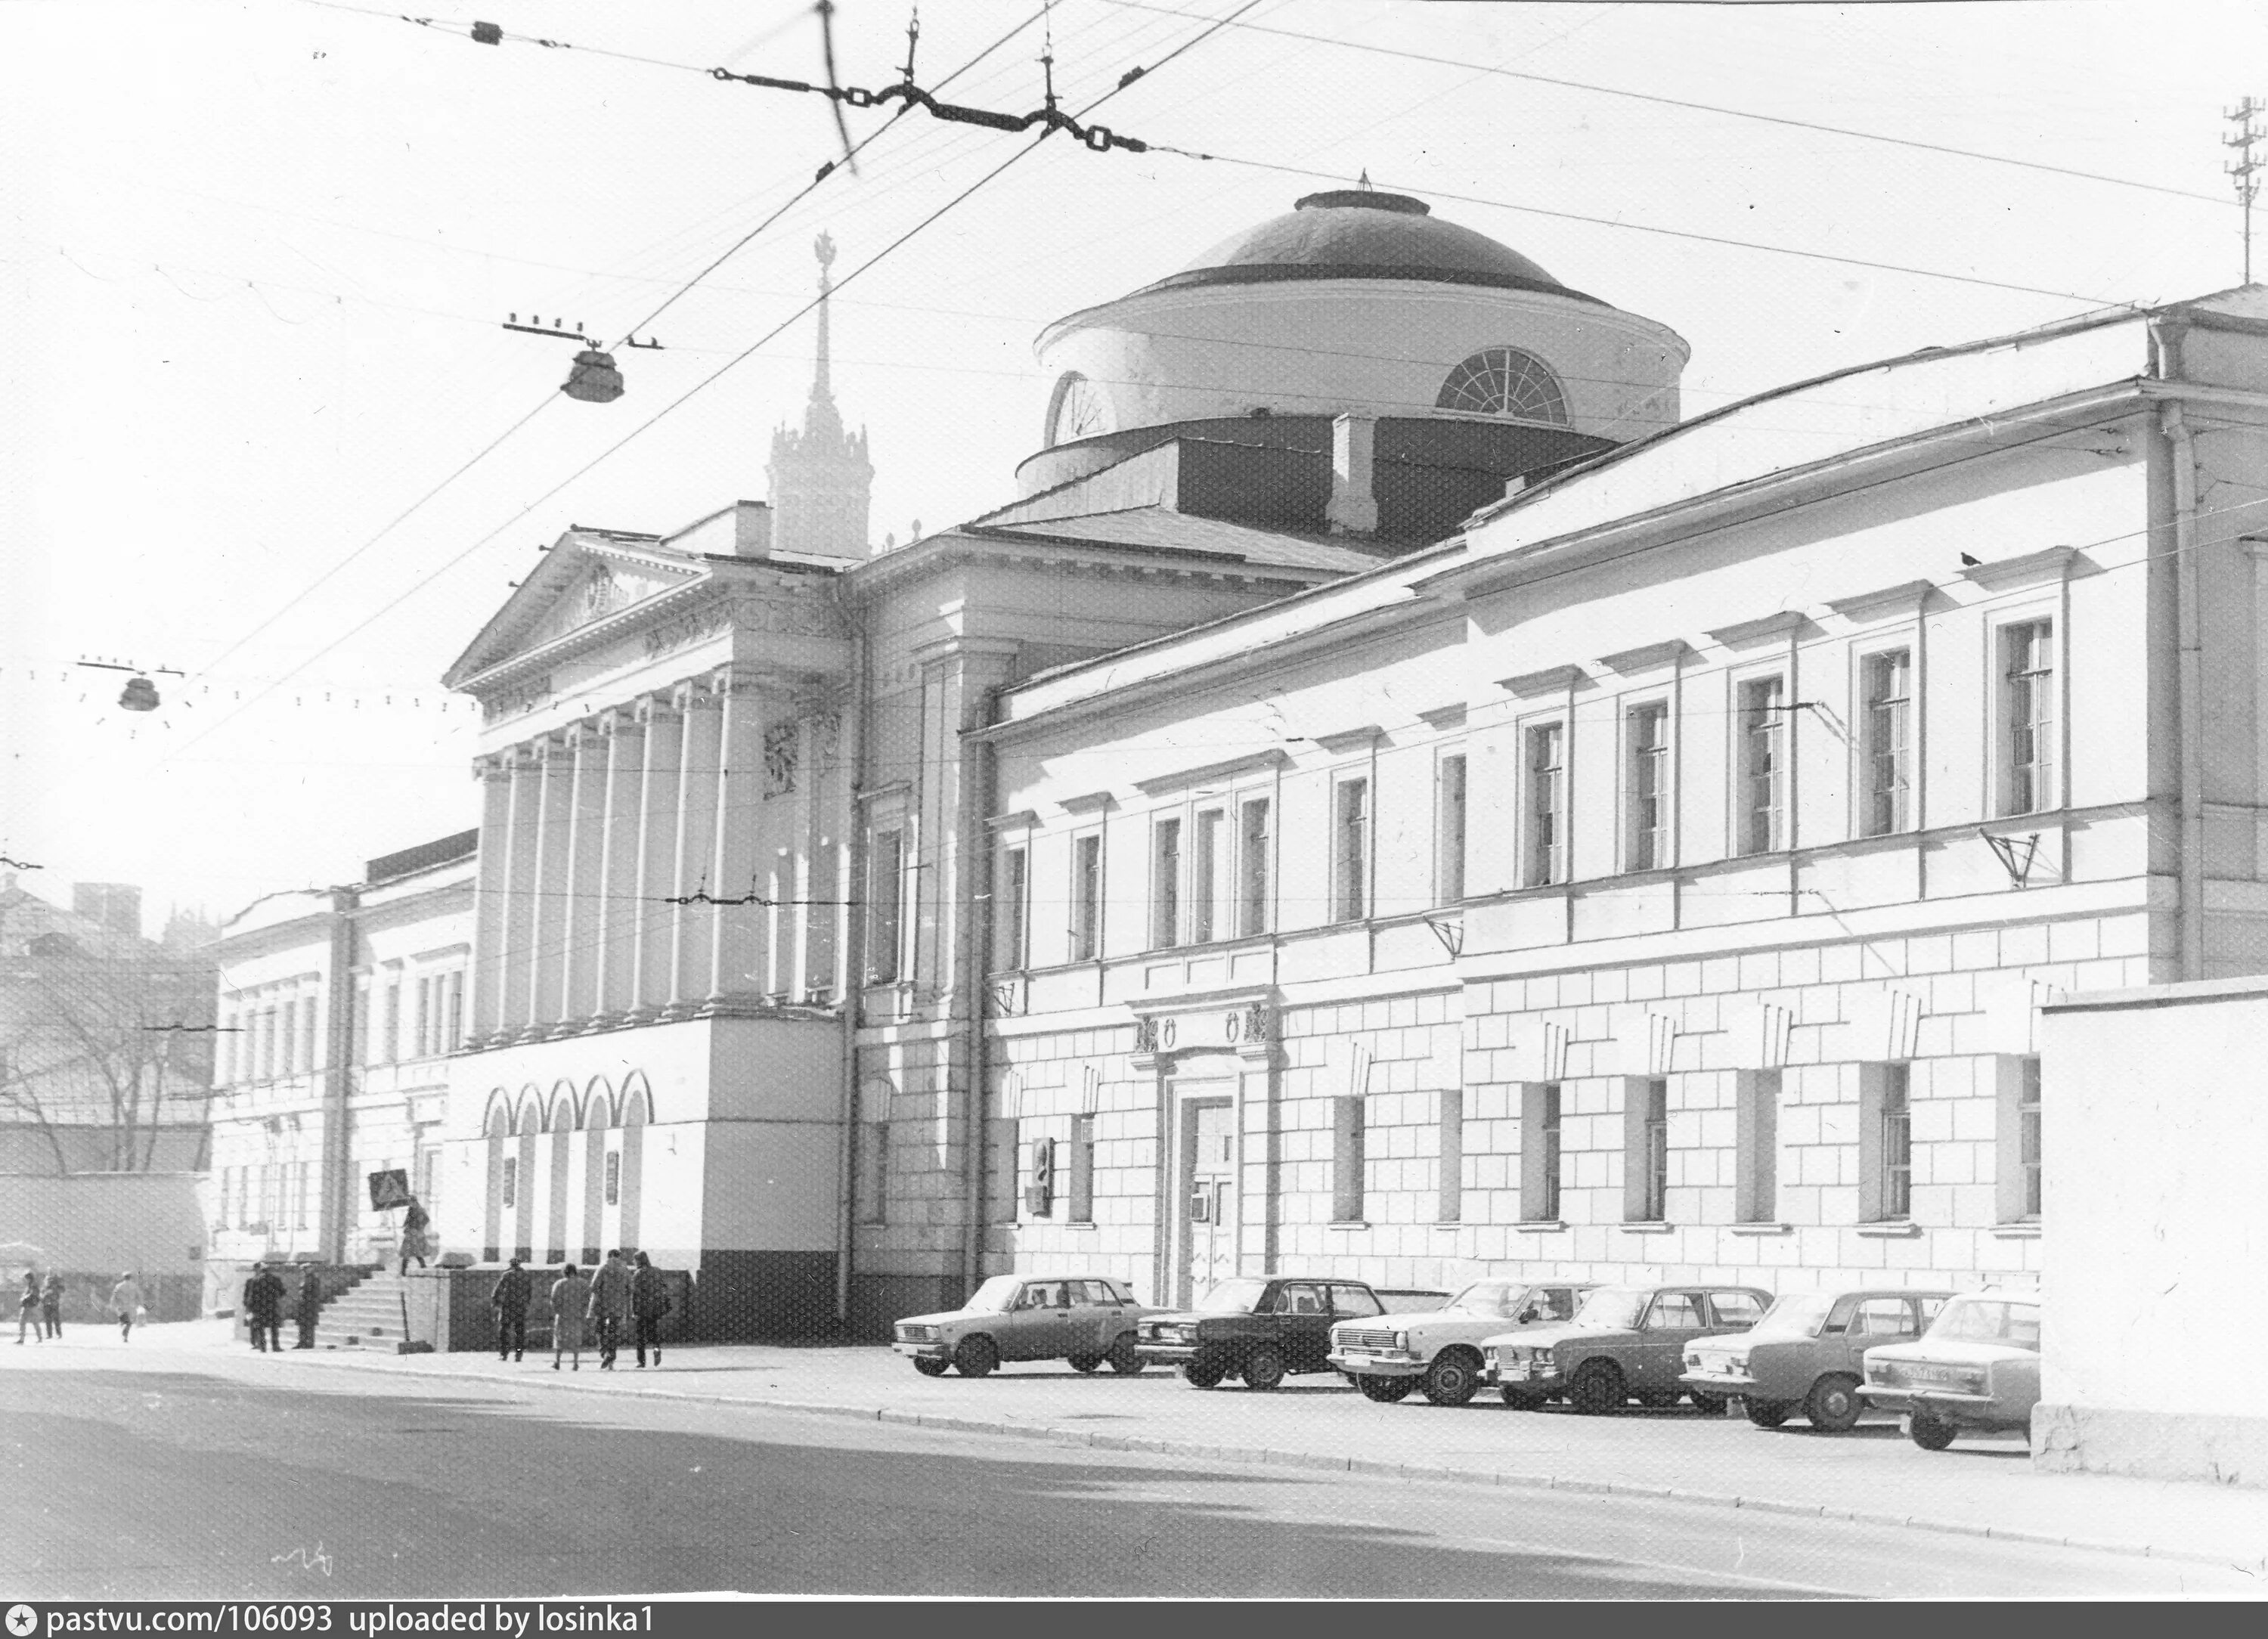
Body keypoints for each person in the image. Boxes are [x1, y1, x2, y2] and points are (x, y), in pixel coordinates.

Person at [587, 1247, 631, 1370]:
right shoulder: (624, 1269)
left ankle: (604, 1351)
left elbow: (594, 1286)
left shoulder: (603, 1267)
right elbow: (630, 1288)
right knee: (614, 1331)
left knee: (599, 1328)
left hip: (603, 1304)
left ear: (608, 1256)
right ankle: (611, 1354)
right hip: (618, 1305)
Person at [629, 1250, 668, 1368]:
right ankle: (657, 1348)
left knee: (640, 1335)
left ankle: (641, 1361)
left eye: (635, 1260)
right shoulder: (657, 1271)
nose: (634, 1262)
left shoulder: (638, 1274)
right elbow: (665, 1287)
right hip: (655, 1307)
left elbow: (634, 1294)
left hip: (642, 1308)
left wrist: (633, 1311)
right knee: (653, 1332)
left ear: (638, 1260)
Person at [549, 1263, 590, 1371]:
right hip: (577, 1314)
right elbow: (587, 1299)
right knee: (576, 1339)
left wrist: (557, 1311)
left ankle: (557, 1362)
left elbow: (553, 1299)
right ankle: (575, 1363)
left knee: (559, 1338)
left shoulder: (559, 1284)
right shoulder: (583, 1284)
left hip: (563, 1315)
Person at [490, 1257, 532, 1362]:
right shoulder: (526, 1276)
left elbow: (498, 1290)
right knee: (520, 1331)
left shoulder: (507, 1275)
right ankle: (518, 1354)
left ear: (511, 1264)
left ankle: (504, 1354)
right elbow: (529, 1292)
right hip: (520, 1306)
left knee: (504, 1330)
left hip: (508, 1306)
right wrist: (527, 1304)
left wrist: (495, 1303)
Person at [242, 1262, 283, 1352]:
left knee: (260, 1327)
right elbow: (282, 1292)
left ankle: (262, 1346)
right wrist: (274, 1297)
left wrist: (249, 1305)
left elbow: (251, 1295)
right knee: (274, 1327)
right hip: (272, 1306)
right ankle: (275, 1346)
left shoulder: (254, 1281)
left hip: (259, 1307)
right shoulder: (275, 1279)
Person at [397, 1198, 431, 1277]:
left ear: (415, 1201)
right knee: (409, 1251)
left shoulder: (420, 1210)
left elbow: (426, 1219)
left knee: (415, 1251)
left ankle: (421, 1266)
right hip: (410, 1232)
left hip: (415, 1233)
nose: (410, 1204)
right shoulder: (411, 1209)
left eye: (411, 1202)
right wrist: (404, 1225)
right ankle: (404, 1270)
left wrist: (421, 1227)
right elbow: (408, 1220)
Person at [292, 1269, 324, 1349]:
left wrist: (306, 1298)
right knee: (302, 1325)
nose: (302, 1272)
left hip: (310, 1306)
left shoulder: (313, 1280)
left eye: (304, 1270)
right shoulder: (303, 1280)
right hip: (302, 1306)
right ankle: (302, 1342)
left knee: (309, 1325)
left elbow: (315, 1293)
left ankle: (309, 1343)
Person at [110, 1272, 143, 1342]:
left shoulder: (119, 1286)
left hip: (122, 1307)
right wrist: (140, 1304)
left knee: (126, 1321)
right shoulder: (134, 1286)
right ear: (130, 1277)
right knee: (129, 1322)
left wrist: (113, 1304)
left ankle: (124, 1331)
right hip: (132, 1306)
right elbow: (139, 1296)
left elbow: (114, 1296)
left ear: (124, 1278)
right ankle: (125, 1336)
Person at [15, 1270, 40, 1344]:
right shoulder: (30, 1285)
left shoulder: (33, 1285)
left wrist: (24, 1298)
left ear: (29, 1278)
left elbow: (33, 1294)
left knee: (27, 1322)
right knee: (28, 1322)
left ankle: (23, 1339)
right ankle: (23, 1339)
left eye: (26, 1278)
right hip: (28, 1306)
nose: (25, 1280)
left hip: (30, 1306)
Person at [40, 1271, 64, 1340]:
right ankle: (49, 1334)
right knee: (48, 1320)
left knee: (56, 1319)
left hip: (54, 1303)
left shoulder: (57, 1284)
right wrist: (43, 1296)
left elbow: (62, 1289)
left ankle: (58, 1334)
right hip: (46, 1303)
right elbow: (42, 1292)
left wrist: (55, 1290)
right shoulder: (45, 1285)